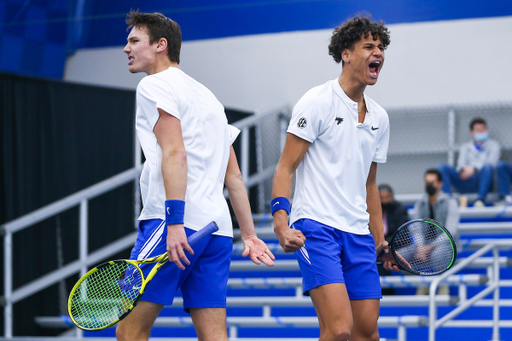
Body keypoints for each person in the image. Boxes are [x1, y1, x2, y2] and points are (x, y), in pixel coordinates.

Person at [118, 11, 275, 341]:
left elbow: (175, 153)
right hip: (216, 231)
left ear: (161, 45)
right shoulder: (209, 97)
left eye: (134, 40)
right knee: (214, 336)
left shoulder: (153, 86)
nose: (125, 48)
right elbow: (233, 176)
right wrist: (248, 234)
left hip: (172, 224)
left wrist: (174, 222)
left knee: (129, 331)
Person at [271, 15, 397, 341]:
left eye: (381, 47)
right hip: (316, 226)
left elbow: (370, 184)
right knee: (339, 329)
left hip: (358, 233)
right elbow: (285, 167)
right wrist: (281, 223)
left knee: (367, 332)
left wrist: (378, 239)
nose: (378, 53)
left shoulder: (380, 118)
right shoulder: (317, 102)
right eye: (369, 46)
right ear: (346, 53)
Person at [411, 169, 459, 295]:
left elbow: (450, 231)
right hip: (424, 245)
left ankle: (443, 285)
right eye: (427, 182)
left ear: (440, 184)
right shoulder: (420, 204)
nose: (429, 185)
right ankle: (423, 281)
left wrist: (429, 247)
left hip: (446, 245)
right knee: (401, 254)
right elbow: (415, 227)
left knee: (437, 254)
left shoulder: (451, 203)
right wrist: (421, 246)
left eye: (432, 182)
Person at [438, 117, 500, 207]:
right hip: (466, 179)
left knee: (487, 167)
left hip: (483, 181)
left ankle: (480, 200)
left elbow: (492, 163)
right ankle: (449, 201)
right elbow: (460, 164)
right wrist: (463, 170)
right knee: (442, 168)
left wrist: (474, 169)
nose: (481, 132)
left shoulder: (494, 145)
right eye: (478, 130)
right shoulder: (465, 147)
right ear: (472, 132)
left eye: (483, 129)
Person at [378, 184, 409, 294]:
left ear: (392, 197)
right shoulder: (372, 212)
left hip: (397, 245)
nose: (385, 201)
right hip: (379, 247)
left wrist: (386, 244)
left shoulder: (400, 209)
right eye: (382, 198)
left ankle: (388, 292)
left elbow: (403, 235)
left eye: (388, 197)